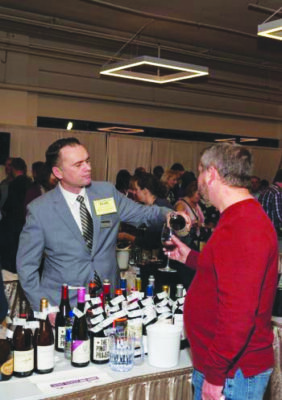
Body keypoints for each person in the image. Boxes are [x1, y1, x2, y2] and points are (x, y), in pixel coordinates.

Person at [165, 143, 278, 400]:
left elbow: (238, 313)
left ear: (212, 174)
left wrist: (215, 375)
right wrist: (191, 258)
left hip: (232, 373)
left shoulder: (245, 225)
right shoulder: (236, 217)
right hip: (225, 368)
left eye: (200, 173)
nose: (200, 182)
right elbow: (229, 270)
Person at [16, 138, 169, 312]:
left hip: (108, 301)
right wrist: (44, 307)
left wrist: (169, 214)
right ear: (58, 172)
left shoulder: (106, 193)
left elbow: (144, 214)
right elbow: (26, 267)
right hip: (64, 306)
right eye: (78, 164)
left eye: (87, 161)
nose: (87, 168)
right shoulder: (40, 210)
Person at [0, 158, 32, 272]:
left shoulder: (13, 184)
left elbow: (9, 204)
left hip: (12, 223)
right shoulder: (30, 183)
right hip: (26, 222)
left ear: (14, 168)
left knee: (10, 254)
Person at [259, 169, 282, 237]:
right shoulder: (277, 193)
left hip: (262, 227)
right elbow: (279, 216)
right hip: (272, 230)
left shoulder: (267, 189)